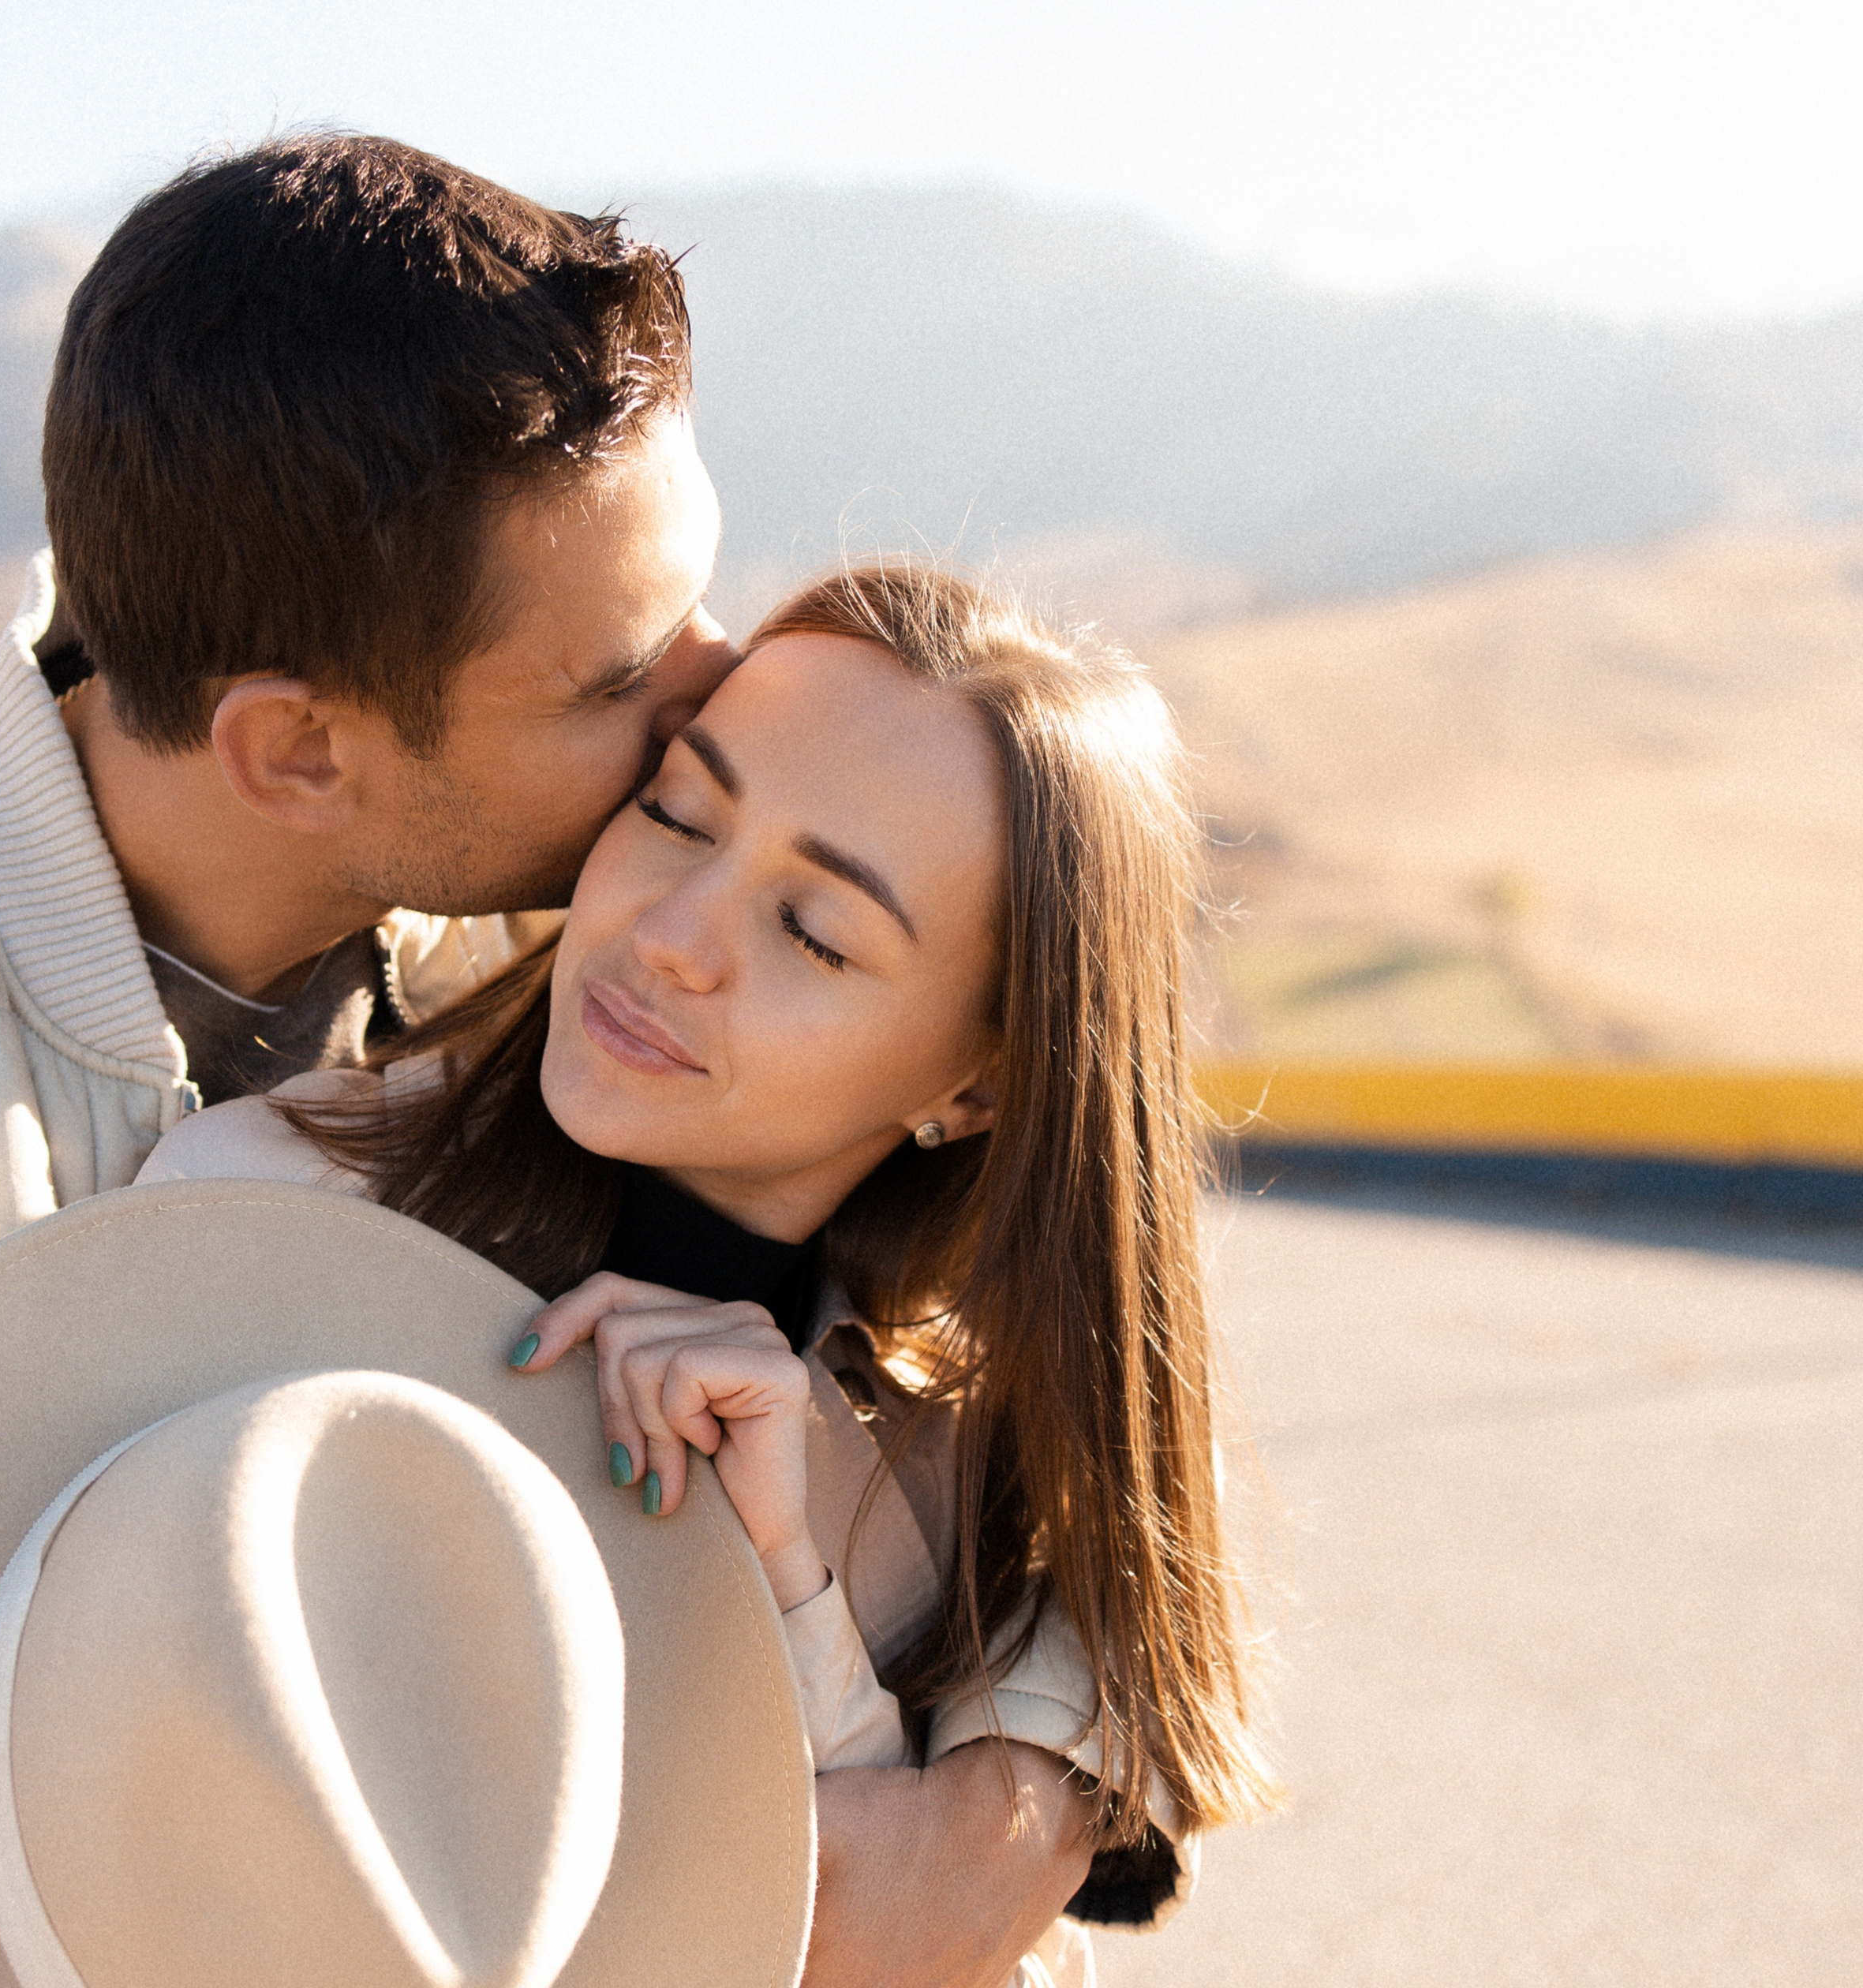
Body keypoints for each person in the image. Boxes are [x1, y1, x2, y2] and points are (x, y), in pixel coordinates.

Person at [139, 561, 1283, 1986]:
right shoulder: (253, 1221)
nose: (668, 939)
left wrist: (784, 1584)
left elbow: (903, 1947)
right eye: (677, 812)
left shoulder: (961, 1472)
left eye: (814, 932)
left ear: (978, 1085)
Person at [0, 132, 730, 1358]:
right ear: (299, 753)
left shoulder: (642, 939)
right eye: (627, 676)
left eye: (700, 606)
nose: (729, 686)